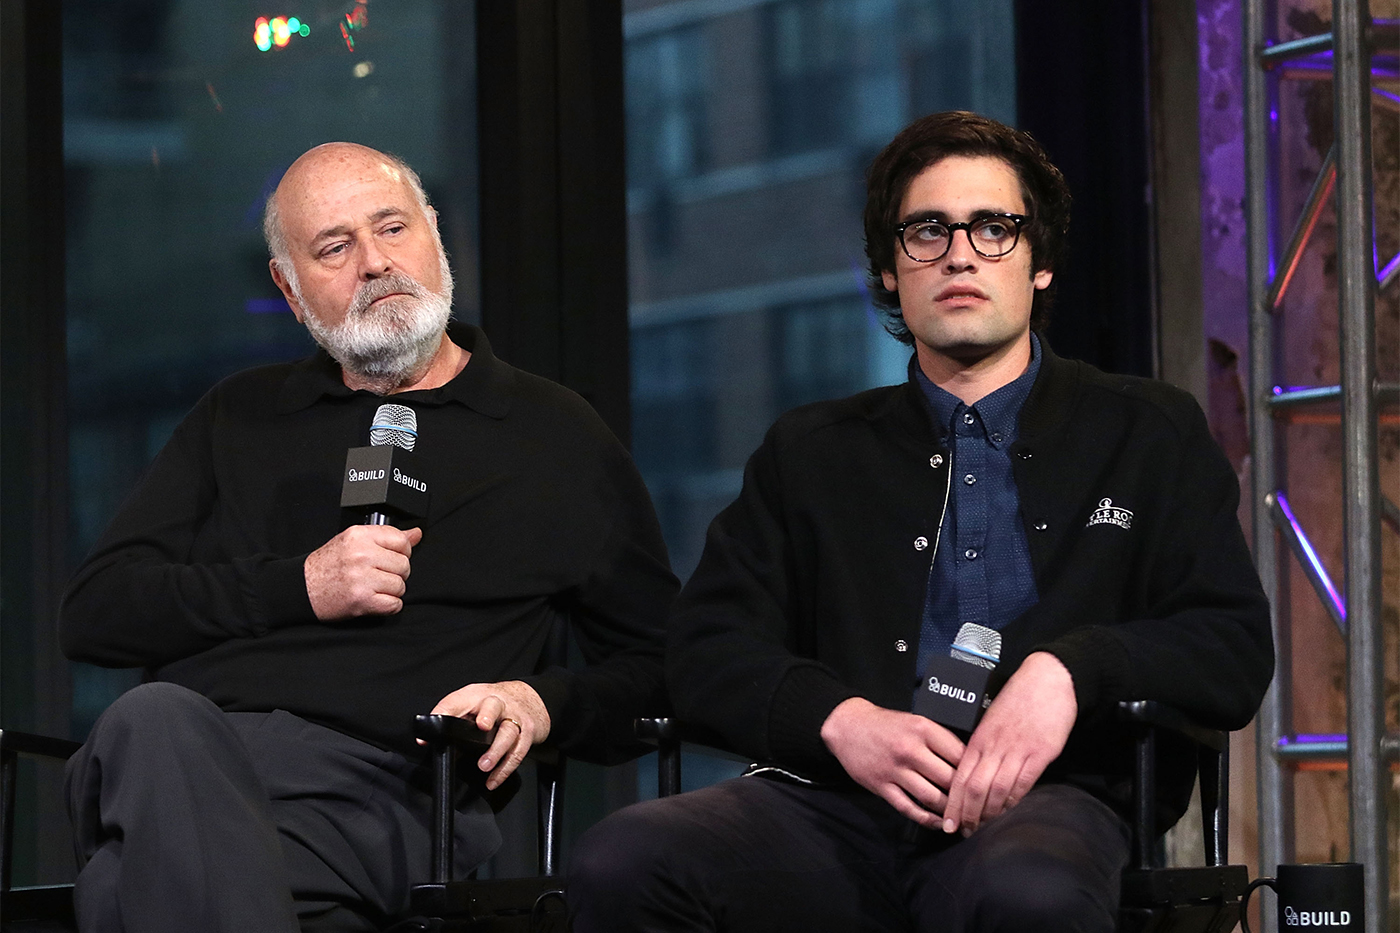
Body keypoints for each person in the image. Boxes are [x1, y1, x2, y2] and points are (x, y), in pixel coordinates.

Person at [567, 111, 1274, 933]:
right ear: (889, 268)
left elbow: (1230, 644)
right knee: (623, 858)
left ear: (1041, 261)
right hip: (836, 806)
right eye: (928, 230)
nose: (960, 254)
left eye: (994, 228)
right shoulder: (811, 451)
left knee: (1029, 894)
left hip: (1045, 804)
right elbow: (704, 647)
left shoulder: (1148, 431)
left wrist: (1072, 670)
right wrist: (841, 721)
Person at [59, 142, 678, 933]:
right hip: (181, 758)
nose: (376, 262)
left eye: (392, 227)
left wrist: (541, 700)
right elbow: (96, 611)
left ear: (435, 237)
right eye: (334, 246)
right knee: (153, 726)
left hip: (387, 791)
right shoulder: (237, 415)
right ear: (290, 288)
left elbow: (665, 666)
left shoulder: (554, 434)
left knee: (123, 881)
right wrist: (302, 585)